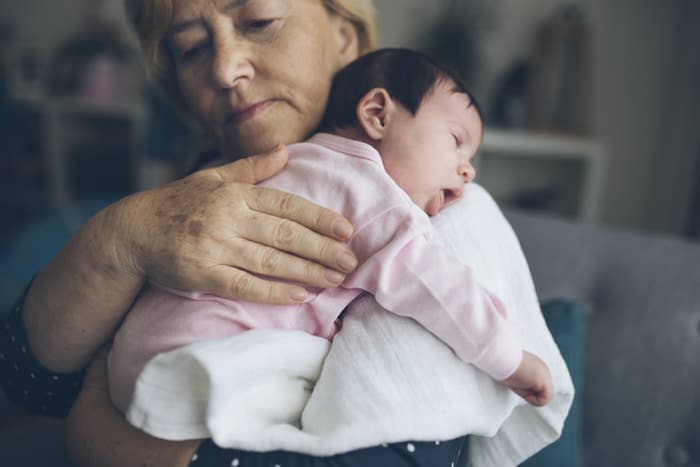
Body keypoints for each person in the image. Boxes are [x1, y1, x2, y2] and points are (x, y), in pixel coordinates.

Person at [0, 2, 565, 467]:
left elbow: (394, 447)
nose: (224, 70)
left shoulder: (441, 211)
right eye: (192, 47)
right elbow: (30, 378)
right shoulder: (193, 188)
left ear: (344, 36)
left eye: (259, 21)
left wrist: (105, 444)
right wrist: (121, 241)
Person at [108, 49, 553, 433]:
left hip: (133, 351)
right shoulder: (376, 197)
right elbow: (439, 287)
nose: (467, 171)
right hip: (204, 359)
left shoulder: (298, 160)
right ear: (377, 115)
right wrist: (510, 359)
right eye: (456, 141)